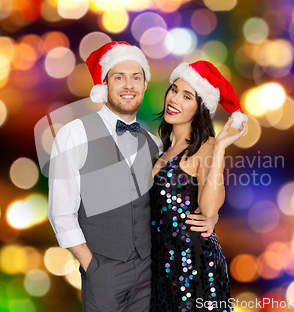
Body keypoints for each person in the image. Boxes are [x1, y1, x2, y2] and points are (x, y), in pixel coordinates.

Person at [47, 42, 218, 312]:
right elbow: (61, 212)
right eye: (119, 77)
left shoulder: (154, 145)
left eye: (136, 78)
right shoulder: (74, 134)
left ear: (145, 85)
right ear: (105, 84)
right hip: (103, 272)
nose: (129, 85)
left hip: (152, 273)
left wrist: (212, 217)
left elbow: (177, 197)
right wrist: (91, 265)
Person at [150, 60, 249, 311]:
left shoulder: (205, 145)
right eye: (174, 90)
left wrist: (220, 149)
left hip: (191, 264)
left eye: (187, 96)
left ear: (200, 107)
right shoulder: (160, 148)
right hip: (159, 264)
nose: (174, 99)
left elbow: (207, 209)